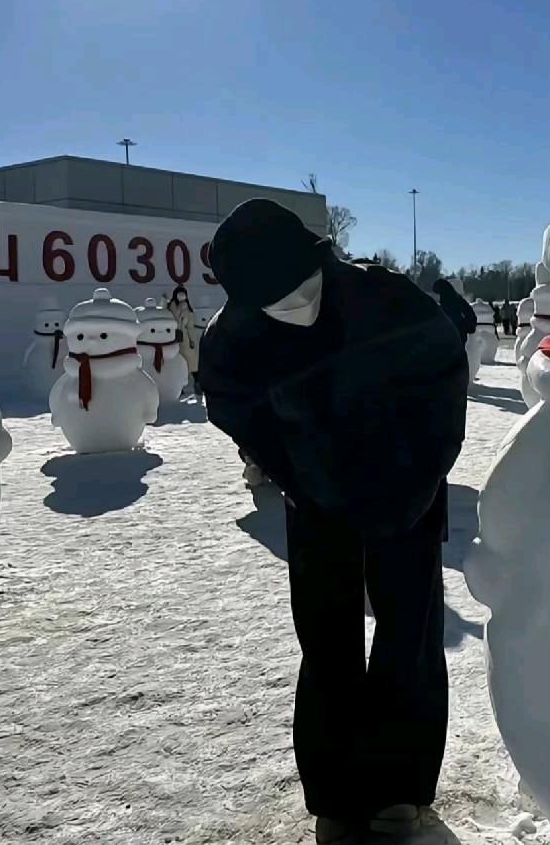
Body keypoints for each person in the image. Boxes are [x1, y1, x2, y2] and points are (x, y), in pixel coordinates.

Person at [199, 199, 468, 844]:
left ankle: (401, 790)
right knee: (329, 644)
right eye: (270, 301)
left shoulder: (390, 298)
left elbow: (444, 383)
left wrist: (418, 479)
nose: (291, 306)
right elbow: (235, 409)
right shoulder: (233, 335)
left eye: (297, 290)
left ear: (319, 261)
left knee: (410, 635)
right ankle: (337, 792)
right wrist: (299, 472)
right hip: (318, 502)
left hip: (409, 489)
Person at [167, 285, 201, 399]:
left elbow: (190, 324)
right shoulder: (172, 306)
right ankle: (179, 388)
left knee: (192, 364)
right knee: (180, 364)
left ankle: (197, 385)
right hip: (177, 337)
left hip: (187, 338)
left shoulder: (187, 308)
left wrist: (192, 340)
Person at [431, 278, 476, 345]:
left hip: (453, 334)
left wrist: (465, 326)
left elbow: (470, 314)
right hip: (454, 334)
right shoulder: (456, 300)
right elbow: (470, 313)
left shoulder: (452, 301)